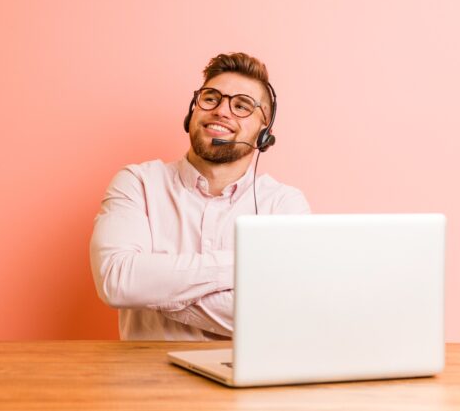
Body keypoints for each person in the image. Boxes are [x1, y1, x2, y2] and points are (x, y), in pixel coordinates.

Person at [89, 52, 311, 340]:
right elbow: (118, 281)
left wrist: (155, 289)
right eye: (210, 98)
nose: (221, 110)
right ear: (192, 111)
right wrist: (244, 263)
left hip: (243, 383)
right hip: (147, 383)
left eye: (242, 106)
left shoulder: (284, 205)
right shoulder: (138, 184)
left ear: (263, 132)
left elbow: (285, 316)